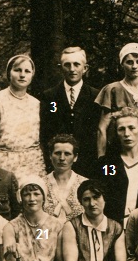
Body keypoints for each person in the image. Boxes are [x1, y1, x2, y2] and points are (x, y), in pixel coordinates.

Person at [39, 47, 101, 175]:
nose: (72, 69)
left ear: (85, 68)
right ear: (60, 67)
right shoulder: (49, 96)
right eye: (67, 65)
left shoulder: (96, 96)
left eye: (76, 64)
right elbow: (45, 132)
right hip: (59, 163)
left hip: (87, 163)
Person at [0, 54, 44, 179]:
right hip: (4, 162)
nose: (22, 75)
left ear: (32, 75)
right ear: (9, 73)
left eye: (27, 71)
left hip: (33, 163)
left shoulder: (36, 103)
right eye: (17, 70)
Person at [95, 108, 138, 225]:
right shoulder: (107, 164)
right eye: (121, 129)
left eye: (131, 128)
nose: (126, 134)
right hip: (112, 226)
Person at [95, 43, 138, 159]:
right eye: (129, 62)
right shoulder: (112, 90)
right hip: (116, 154)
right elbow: (102, 128)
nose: (134, 66)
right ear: (122, 64)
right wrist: (101, 158)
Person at [43, 134, 88, 222]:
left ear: (75, 157)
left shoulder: (85, 183)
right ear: (50, 156)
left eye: (67, 154)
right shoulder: (41, 184)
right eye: (57, 153)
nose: (62, 158)